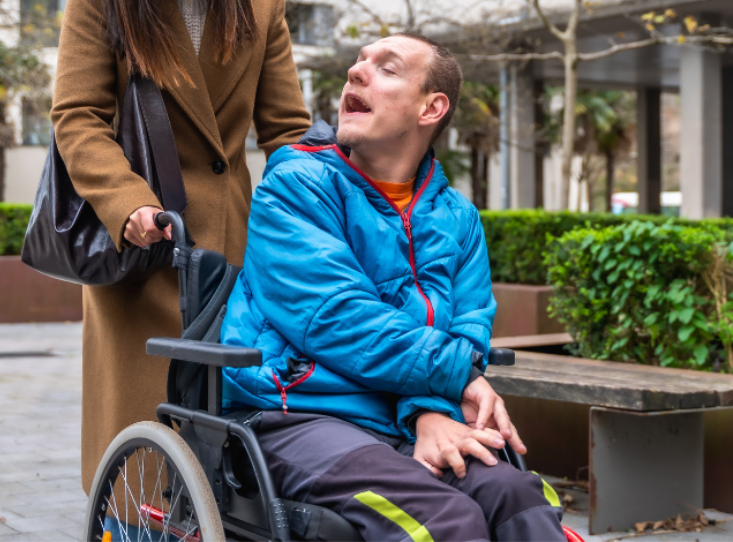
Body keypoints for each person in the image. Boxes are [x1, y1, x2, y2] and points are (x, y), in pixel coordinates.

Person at [221, 33, 566, 541]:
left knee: (519, 497)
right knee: (444, 519)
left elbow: (467, 330)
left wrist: (428, 411)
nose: (355, 72)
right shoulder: (295, 186)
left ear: (432, 108)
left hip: (403, 416)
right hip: (298, 411)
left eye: (387, 68)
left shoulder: (459, 218)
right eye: (359, 61)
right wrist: (454, 381)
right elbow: (337, 318)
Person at [50, 0, 311, 495]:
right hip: (145, 243)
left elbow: (287, 131)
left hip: (233, 243)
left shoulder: (260, 0)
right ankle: (130, 525)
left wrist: (315, 216)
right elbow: (78, 115)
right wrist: (128, 204)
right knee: (145, 438)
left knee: (230, 421)